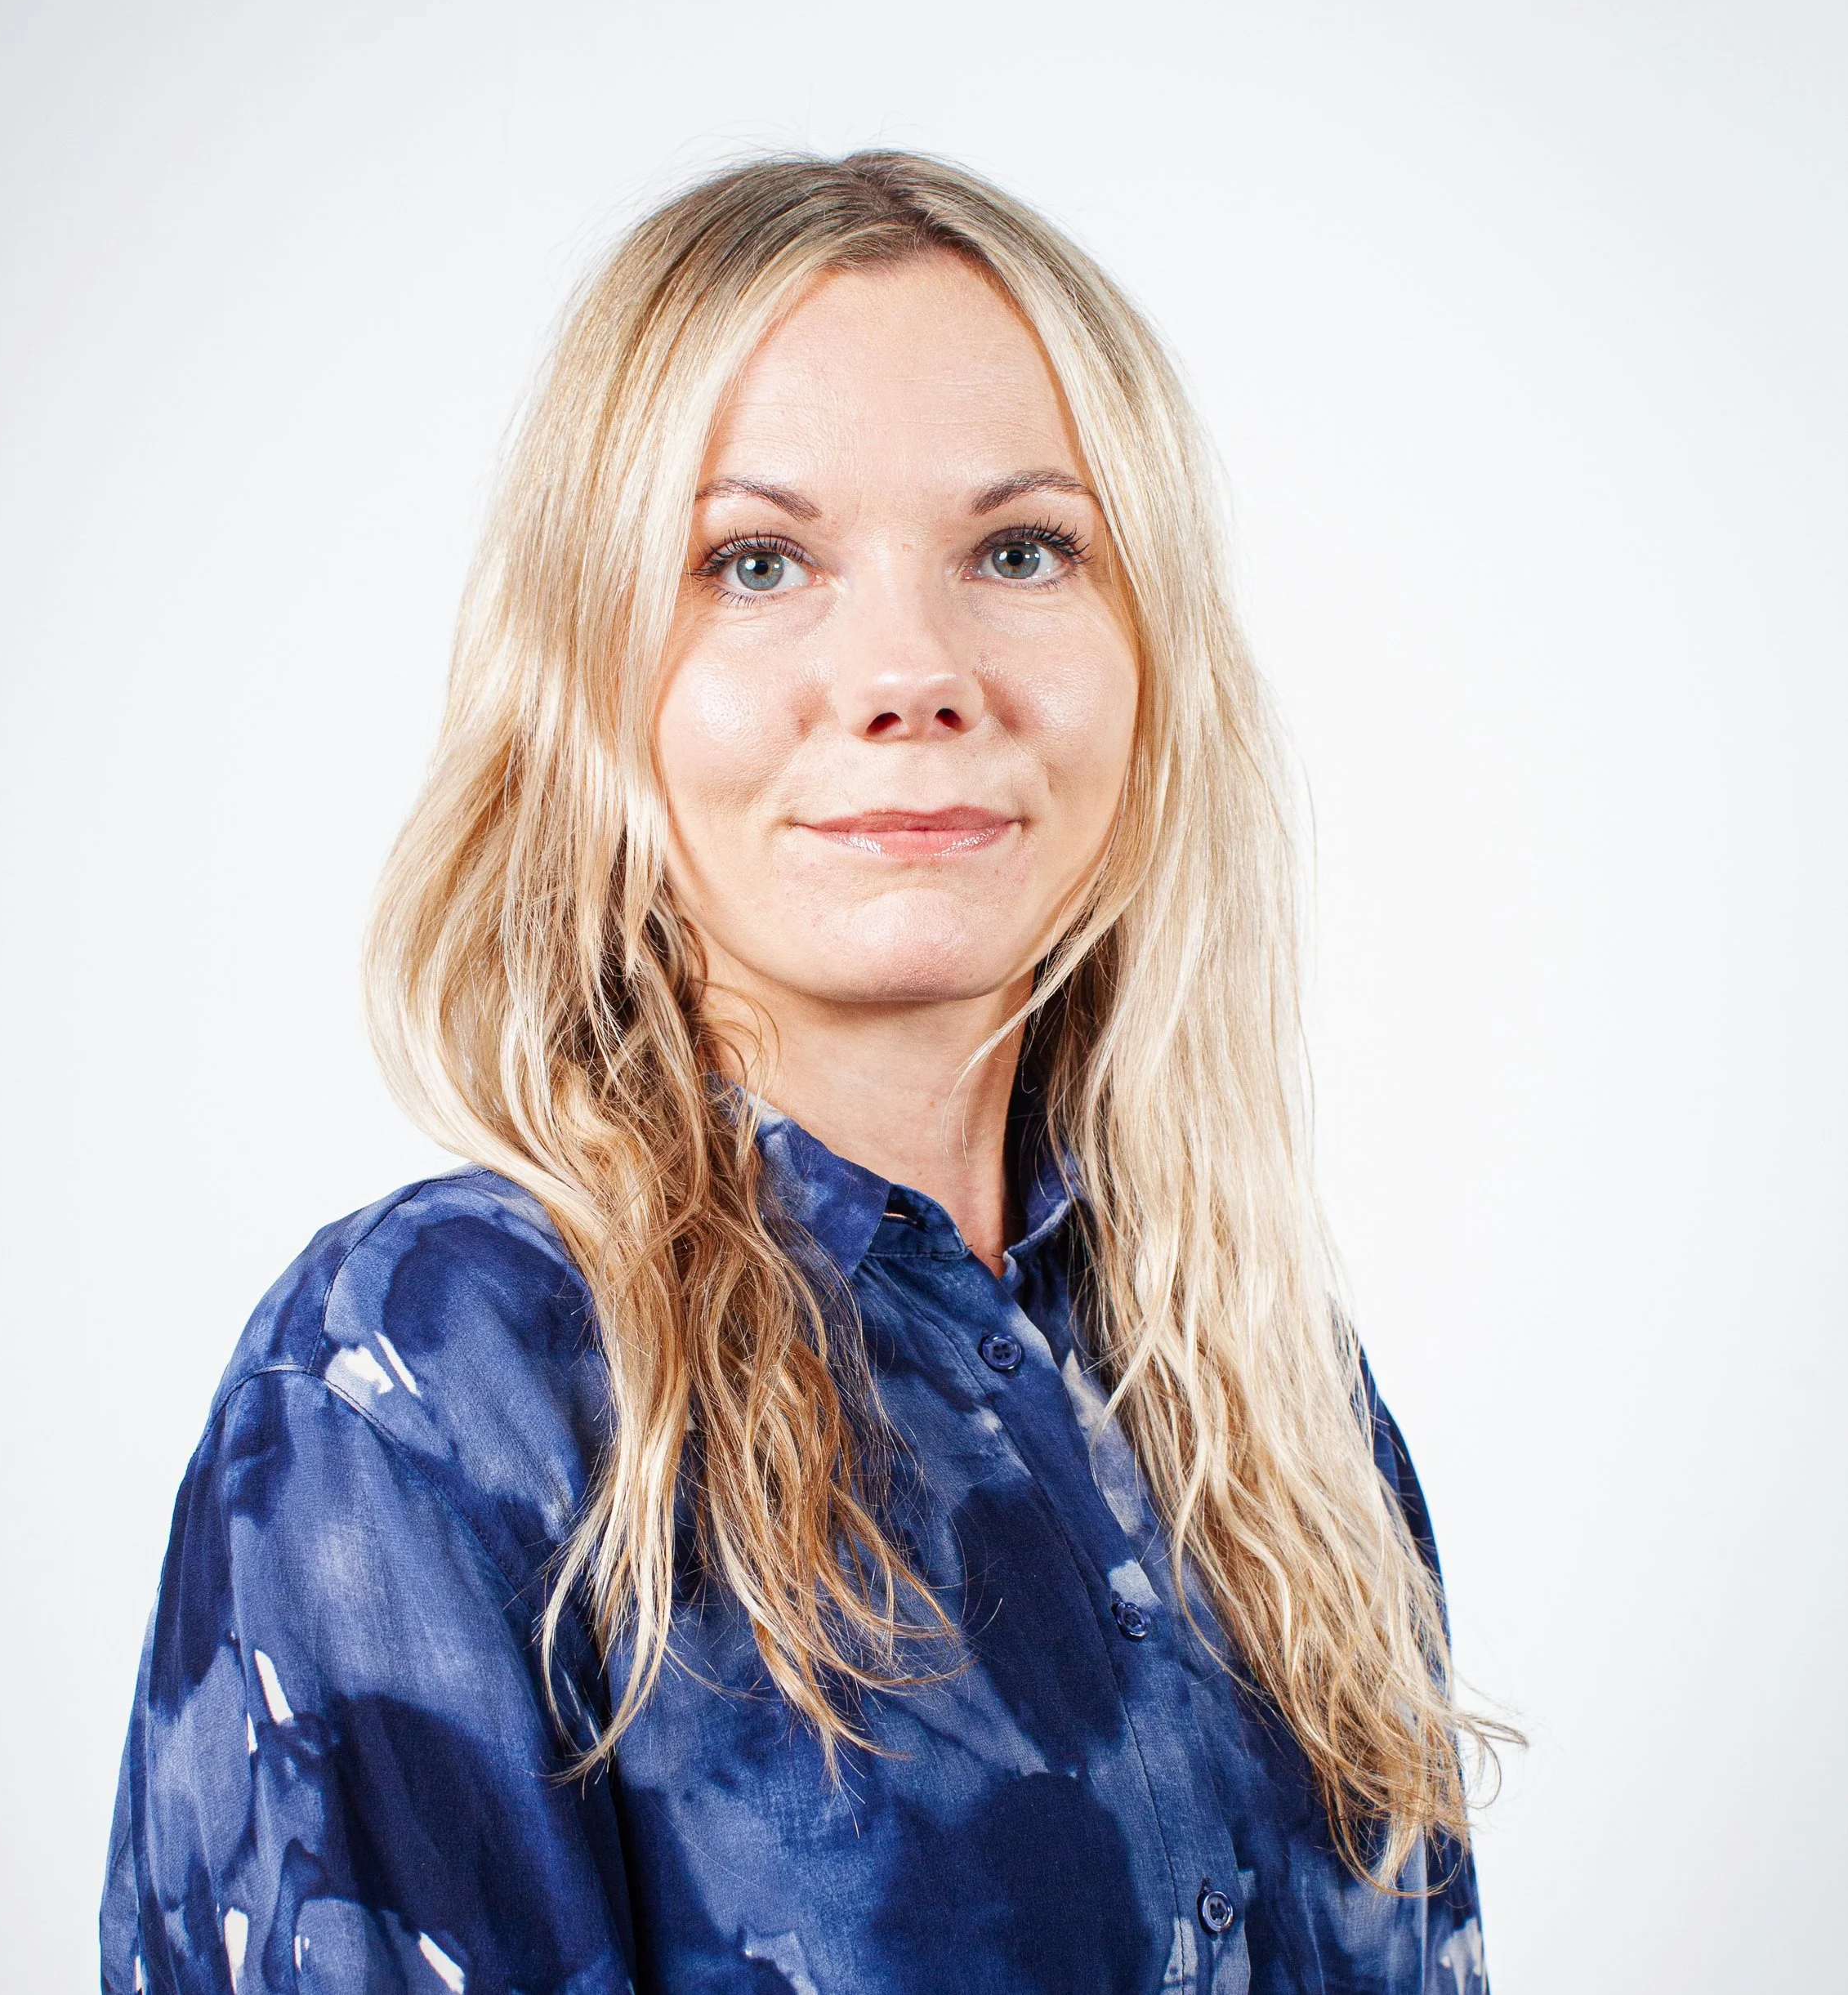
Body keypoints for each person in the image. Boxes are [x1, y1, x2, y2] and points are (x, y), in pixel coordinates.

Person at [101, 151, 1505, 1995]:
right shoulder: (440, 1380)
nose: (911, 671)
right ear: (595, 679)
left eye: (1021, 550)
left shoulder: (1268, 1403)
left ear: (1148, 655)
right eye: (756, 562)